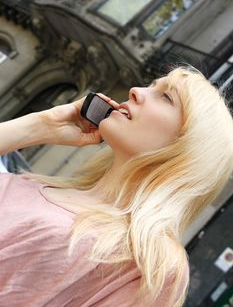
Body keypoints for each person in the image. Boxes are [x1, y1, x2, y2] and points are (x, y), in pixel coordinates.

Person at [1, 66, 233, 307]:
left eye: (166, 97)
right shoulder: (32, 185)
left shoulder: (150, 262)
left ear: (189, 147)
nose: (135, 91)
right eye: (151, 85)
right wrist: (40, 126)